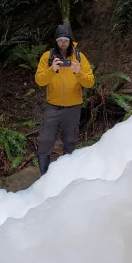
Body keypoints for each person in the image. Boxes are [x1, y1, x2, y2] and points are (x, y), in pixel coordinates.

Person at [34, 24, 95, 175]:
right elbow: (39, 81)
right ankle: (44, 176)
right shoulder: (47, 57)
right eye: (60, 40)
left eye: (65, 40)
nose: (62, 43)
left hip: (73, 107)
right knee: (46, 140)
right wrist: (51, 70)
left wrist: (78, 72)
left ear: (70, 41)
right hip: (52, 106)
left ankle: (66, 176)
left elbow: (90, 82)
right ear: (56, 41)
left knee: (70, 141)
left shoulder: (79, 57)